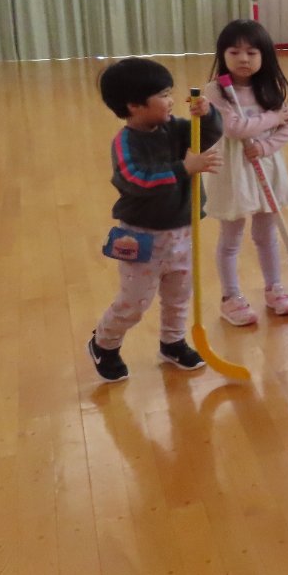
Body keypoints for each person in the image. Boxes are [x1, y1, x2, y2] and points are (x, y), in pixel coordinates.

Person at [88, 58, 223, 382]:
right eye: (162, 95)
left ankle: (172, 343)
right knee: (134, 303)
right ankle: (104, 344)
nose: (171, 100)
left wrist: (208, 115)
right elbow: (135, 179)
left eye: (169, 92)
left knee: (179, 296)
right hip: (142, 237)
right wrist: (183, 169)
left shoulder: (175, 128)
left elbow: (207, 135)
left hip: (182, 231)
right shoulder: (125, 143)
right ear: (134, 106)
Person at [203, 20, 288, 325]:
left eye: (251, 52)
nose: (243, 59)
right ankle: (230, 297)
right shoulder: (215, 91)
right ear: (223, 55)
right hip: (232, 170)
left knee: (266, 233)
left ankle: (274, 287)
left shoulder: (269, 88)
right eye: (234, 52)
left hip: (265, 166)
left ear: (264, 55)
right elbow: (233, 128)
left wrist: (265, 146)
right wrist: (273, 118)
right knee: (231, 235)